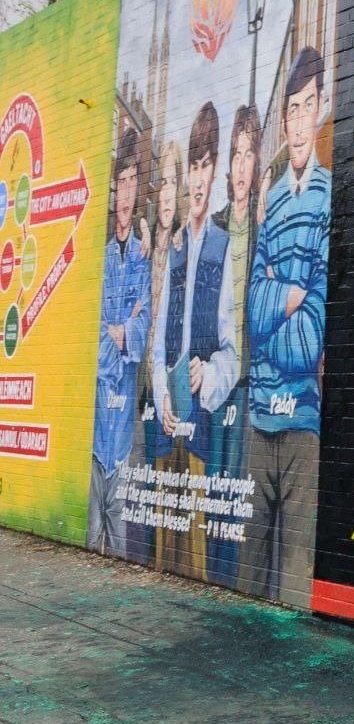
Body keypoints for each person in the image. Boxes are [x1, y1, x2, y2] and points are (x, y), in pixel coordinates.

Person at [243, 49, 330, 605]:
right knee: (249, 581)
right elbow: (254, 310)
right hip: (258, 422)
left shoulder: (328, 199)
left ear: (321, 110)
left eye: (307, 108)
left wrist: (287, 298)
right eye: (291, 111)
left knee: (296, 589)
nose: (298, 123)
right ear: (283, 120)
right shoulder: (270, 204)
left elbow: (310, 338)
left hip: (302, 422)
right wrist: (286, 297)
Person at [149, 102, 237, 582]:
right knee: (164, 551)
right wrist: (162, 390)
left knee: (197, 557)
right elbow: (160, 339)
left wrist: (210, 375)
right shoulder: (174, 246)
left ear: (215, 168)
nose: (200, 178)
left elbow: (231, 350)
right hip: (167, 421)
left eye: (207, 165)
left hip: (200, 423)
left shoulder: (222, 249)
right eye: (194, 166)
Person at [90, 127, 152, 560]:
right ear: (113, 190)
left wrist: (124, 330)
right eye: (121, 182)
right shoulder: (102, 254)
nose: (126, 192)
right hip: (96, 420)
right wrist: (116, 333)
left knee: (123, 548)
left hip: (124, 420)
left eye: (133, 182)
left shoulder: (142, 257)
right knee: (90, 539)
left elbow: (143, 325)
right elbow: (92, 330)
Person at [205, 104, 260, 584]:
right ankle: (210, 569)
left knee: (236, 477)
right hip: (219, 371)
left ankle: (225, 574)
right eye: (236, 155)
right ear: (228, 167)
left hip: (249, 377)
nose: (241, 166)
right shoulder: (218, 226)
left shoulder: (261, 226)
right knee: (213, 478)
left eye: (249, 155)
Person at [140, 140, 184, 570]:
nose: (168, 194)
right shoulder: (149, 244)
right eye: (163, 184)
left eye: (175, 183)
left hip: (173, 388)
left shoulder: (185, 244)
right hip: (145, 390)